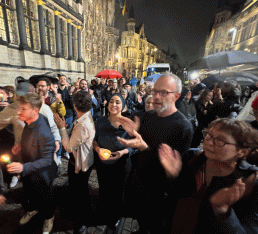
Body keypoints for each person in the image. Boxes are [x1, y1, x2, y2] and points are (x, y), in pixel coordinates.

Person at [117, 72, 193, 233]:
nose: (157, 96)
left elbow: (172, 170)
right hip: (139, 182)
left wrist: (143, 146)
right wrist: (134, 132)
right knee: (141, 221)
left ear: (176, 96)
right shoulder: (149, 116)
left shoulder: (183, 127)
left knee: (154, 226)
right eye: (154, 91)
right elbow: (141, 140)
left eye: (163, 92)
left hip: (158, 193)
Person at [159, 118, 258, 234]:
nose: (209, 142)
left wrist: (223, 211)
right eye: (209, 135)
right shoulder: (197, 160)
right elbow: (177, 197)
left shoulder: (251, 182)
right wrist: (173, 176)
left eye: (220, 140)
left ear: (242, 151)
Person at [7, 93, 58, 234]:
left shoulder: (43, 132)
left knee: (46, 196)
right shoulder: (31, 120)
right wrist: (20, 147)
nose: (18, 112)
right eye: (19, 108)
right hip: (30, 168)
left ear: (35, 111)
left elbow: (47, 160)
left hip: (43, 173)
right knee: (29, 192)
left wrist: (23, 167)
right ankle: (32, 209)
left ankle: (49, 217)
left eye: (23, 109)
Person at [93, 93, 136, 233]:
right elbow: (93, 140)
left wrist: (123, 152)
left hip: (121, 164)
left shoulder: (129, 123)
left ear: (123, 106)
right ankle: (104, 213)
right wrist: (98, 149)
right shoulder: (100, 121)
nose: (114, 104)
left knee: (119, 192)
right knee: (105, 189)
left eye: (118, 102)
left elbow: (135, 144)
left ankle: (116, 218)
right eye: (111, 101)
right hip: (103, 163)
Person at [53, 91, 95, 233]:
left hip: (81, 163)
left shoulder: (83, 124)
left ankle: (82, 220)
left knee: (81, 193)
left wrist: (61, 128)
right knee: (78, 191)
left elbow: (69, 147)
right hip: (82, 160)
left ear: (75, 105)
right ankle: (79, 214)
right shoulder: (85, 117)